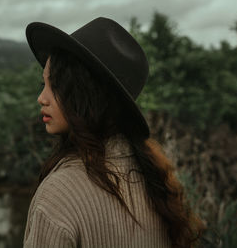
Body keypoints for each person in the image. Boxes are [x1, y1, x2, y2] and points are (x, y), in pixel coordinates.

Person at [22, 17, 204, 248]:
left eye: (55, 86)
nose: (41, 98)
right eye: (43, 85)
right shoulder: (153, 179)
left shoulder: (58, 195)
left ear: (89, 94)